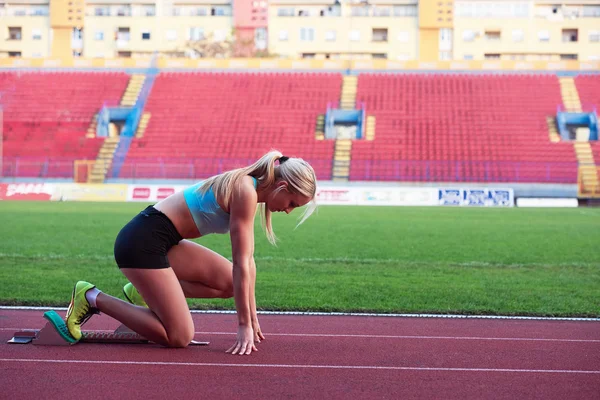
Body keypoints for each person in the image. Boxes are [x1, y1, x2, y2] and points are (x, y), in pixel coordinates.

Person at [65, 150, 317, 355]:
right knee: (179, 337)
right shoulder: (245, 190)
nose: (288, 210)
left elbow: (249, 264)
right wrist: (242, 326)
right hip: (141, 242)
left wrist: (252, 319)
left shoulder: (250, 188)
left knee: (229, 283)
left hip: (165, 241)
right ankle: (91, 296)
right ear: (282, 186)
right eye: (292, 203)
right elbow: (241, 262)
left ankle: (142, 292)